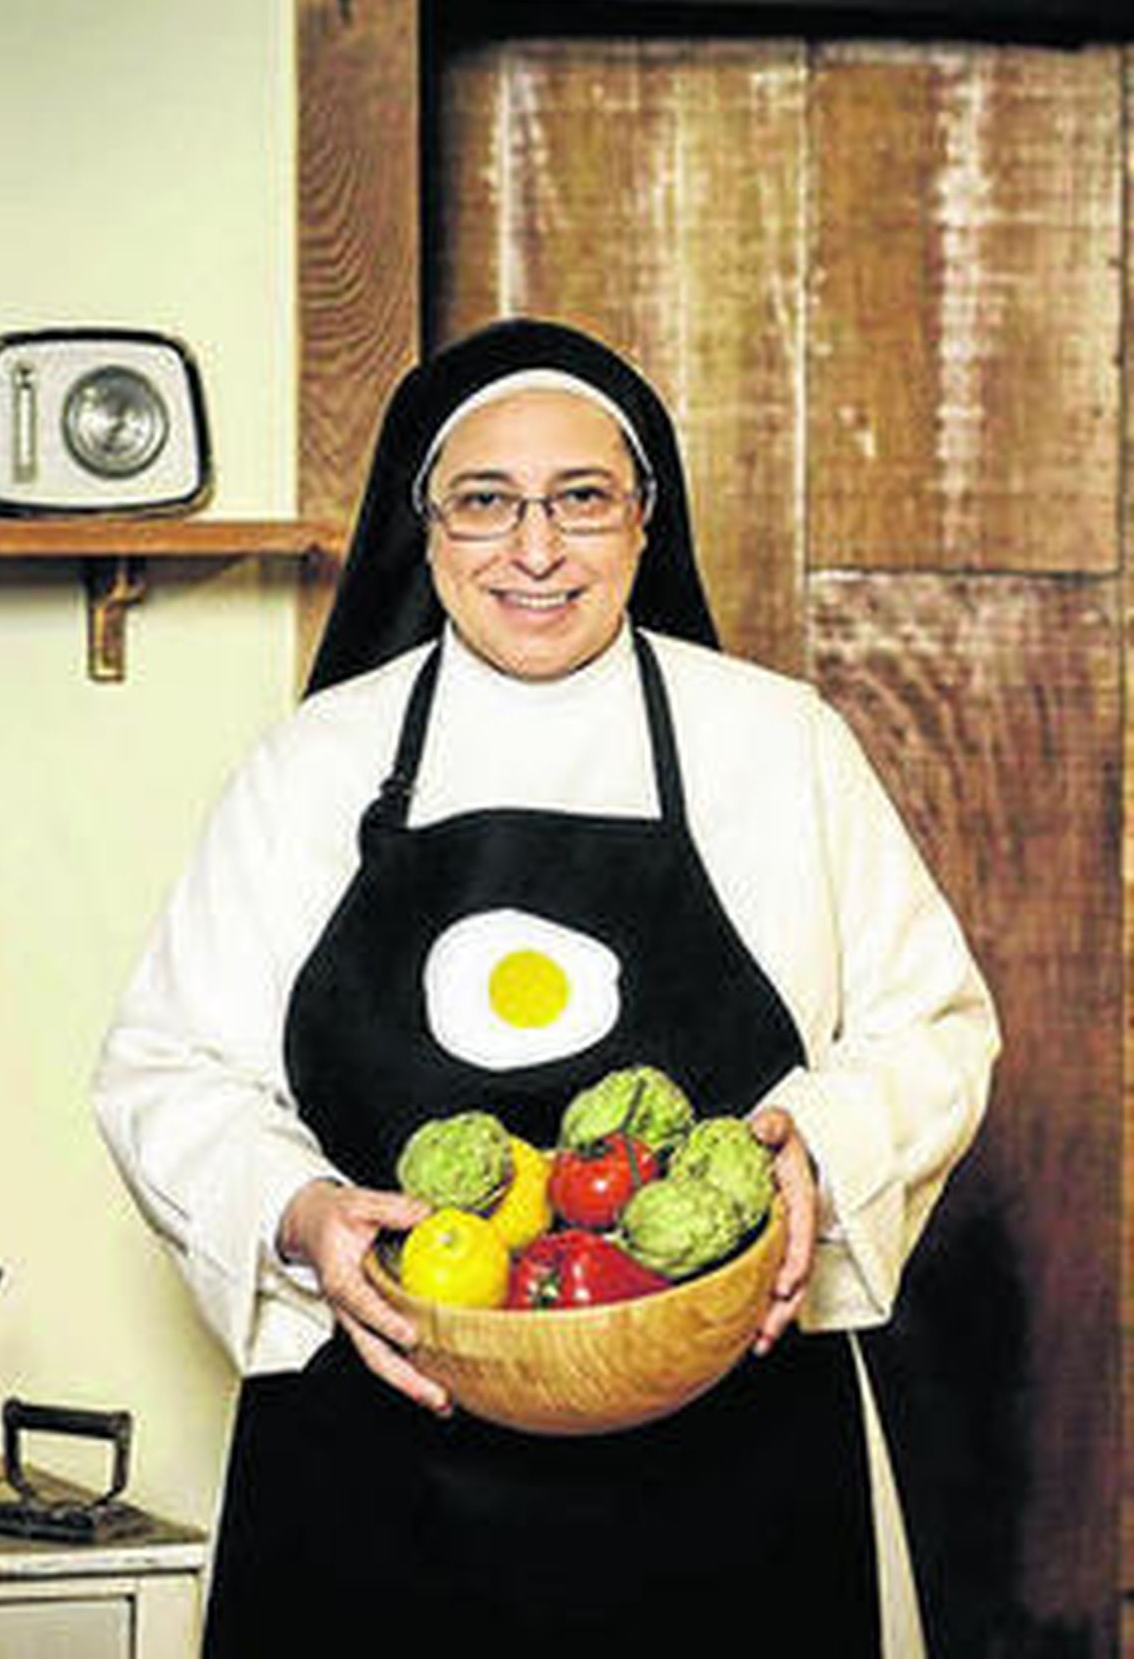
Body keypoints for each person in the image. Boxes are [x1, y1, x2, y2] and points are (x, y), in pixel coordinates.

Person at [92, 318, 998, 1658]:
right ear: (425, 531)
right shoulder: (312, 766)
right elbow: (168, 1068)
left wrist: (819, 1147)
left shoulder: (778, 744)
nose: (534, 550)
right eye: (485, 502)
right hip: (382, 1453)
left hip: (734, 1453)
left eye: (581, 499)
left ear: (644, 521)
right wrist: (299, 1213)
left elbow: (933, 1027)